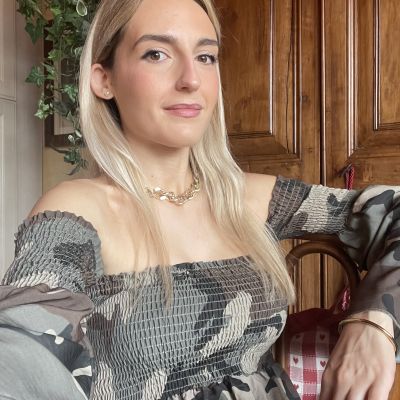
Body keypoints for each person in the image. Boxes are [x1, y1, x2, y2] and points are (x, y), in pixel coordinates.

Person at [0, 0, 398, 399]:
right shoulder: (75, 212)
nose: (191, 79)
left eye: (206, 56)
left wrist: (374, 321)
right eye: (157, 54)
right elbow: (21, 359)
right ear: (104, 80)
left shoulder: (251, 198)